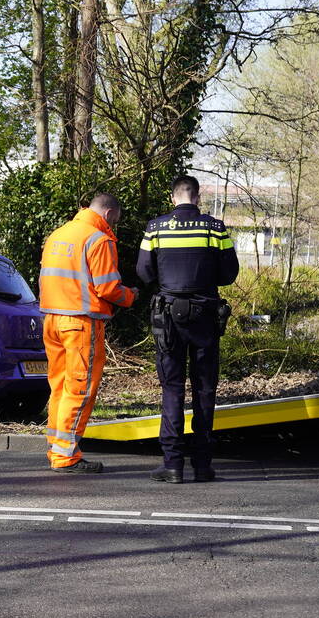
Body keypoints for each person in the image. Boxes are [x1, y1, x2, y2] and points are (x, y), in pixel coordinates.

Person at [136, 175, 239, 483]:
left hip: (168, 319)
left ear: (173, 198)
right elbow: (229, 273)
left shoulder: (154, 229)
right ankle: (204, 465)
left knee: (172, 387)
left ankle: (172, 464)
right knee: (205, 389)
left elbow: (143, 272)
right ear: (197, 198)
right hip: (205, 316)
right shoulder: (215, 228)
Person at [39, 190, 139, 473]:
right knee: (80, 388)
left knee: (59, 385)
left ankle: (56, 447)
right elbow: (107, 287)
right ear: (108, 214)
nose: (114, 227)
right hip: (80, 323)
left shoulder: (59, 234)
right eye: (114, 221)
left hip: (52, 319)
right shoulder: (98, 239)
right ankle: (66, 455)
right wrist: (130, 296)